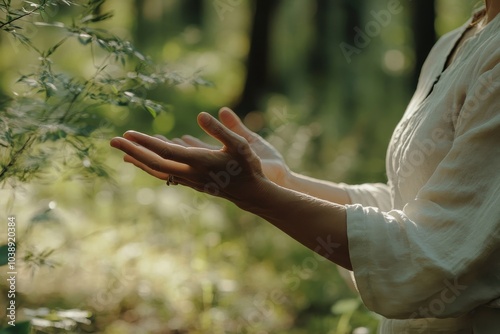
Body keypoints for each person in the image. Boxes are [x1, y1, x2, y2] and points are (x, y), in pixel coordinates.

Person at [110, 1, 500, 332]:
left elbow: (436, 255)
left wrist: (259, 196)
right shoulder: (459, 39)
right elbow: (417, 210)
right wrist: (283, 182)